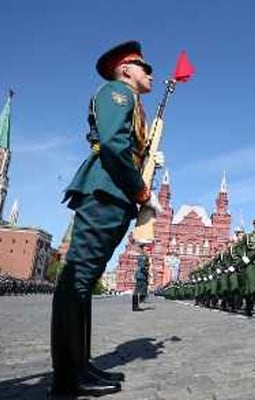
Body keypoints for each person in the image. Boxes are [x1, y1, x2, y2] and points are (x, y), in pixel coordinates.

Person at [50, 41, 163, 397]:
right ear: (126, 69)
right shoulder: (118, 93)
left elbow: (124, 146)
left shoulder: (133, 102)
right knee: (77, 279)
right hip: (107, 189)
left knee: (84, 281)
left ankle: (80, 365)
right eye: (145, 66)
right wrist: (142, 191)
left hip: (115, 191)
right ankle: (67, 377)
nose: (151, 72)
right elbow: (114, 146)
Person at [132, 244, 150, 311]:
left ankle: (135, 306)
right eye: (146, 249)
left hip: (140, 275)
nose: (147, 250)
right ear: (143, 249)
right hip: (141, 275)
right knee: (138, 291)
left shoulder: (141, 256)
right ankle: (135, 306)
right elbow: (143, 267)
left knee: (138, 290)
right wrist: (147, 274)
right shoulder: (143, 256)